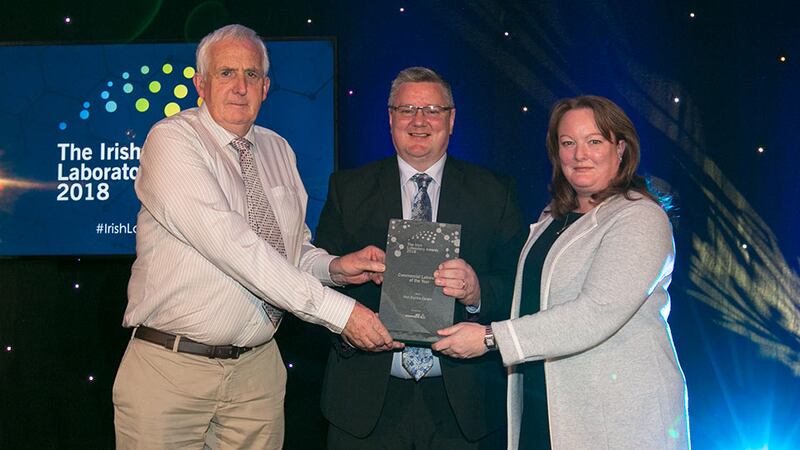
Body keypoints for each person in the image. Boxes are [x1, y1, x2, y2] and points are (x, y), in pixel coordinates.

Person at [112, 24, 400, 449]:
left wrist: (337, 268)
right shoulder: (172, 140)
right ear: (201, 83)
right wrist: (342, 314)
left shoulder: (279, 149)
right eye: (226, 73)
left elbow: (290, 251)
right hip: (171, 371)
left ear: (266, 87)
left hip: (256, 375)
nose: (240, 86)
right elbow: (234, 248)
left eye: (251, 75)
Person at [433, 95, 691, 449]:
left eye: (594, 141)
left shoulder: (641, 218)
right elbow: (530, 299)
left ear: (621, 149)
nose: (579, 154)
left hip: (616, 418)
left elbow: (595, 312)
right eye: (568, 143)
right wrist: (474, 291)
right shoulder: (552, 218)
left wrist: (490, 338)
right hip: (550, 408)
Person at [314, 66, 525, 449]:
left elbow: (519, 284)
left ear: (452, 118)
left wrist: (477, 293)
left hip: (464, 405)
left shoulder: (496, 192)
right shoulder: (348, 188)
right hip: (364, 400)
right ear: (390, 117)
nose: (419, 121)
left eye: (432, 109)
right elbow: (316, 281)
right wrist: (347, 318)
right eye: (407, 109)